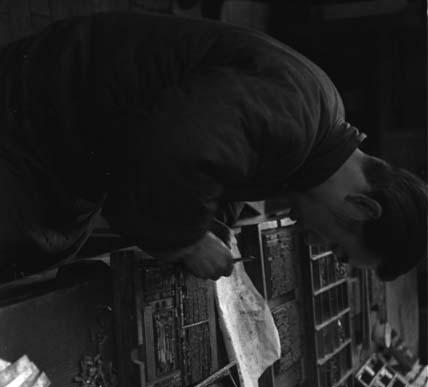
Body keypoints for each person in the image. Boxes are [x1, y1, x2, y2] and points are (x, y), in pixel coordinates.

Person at [0, 11, 425, 281]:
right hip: (45, 102)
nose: (317, 245)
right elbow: (171, 146)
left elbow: (226, 162)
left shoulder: (319, 134)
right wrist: (186, 241)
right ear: (361, 207)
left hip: (84, 122)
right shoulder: (297, 116)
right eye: (336, 246)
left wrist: (216, 225)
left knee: (56, 249)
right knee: (29, 244)